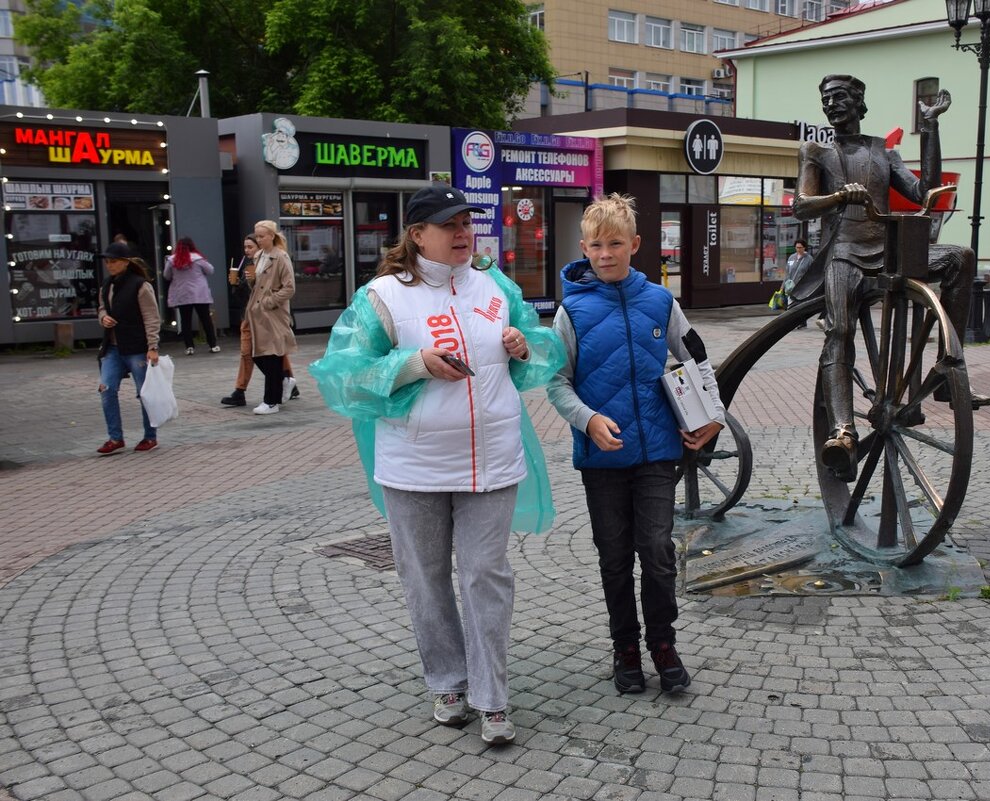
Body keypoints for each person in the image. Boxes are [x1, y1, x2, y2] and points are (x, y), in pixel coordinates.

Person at [309, 184, 564, 745]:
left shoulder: (495, 285)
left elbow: (543, 352)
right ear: (417, 234)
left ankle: (492, 696)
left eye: (467, 222)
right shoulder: (383, 297)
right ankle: (447, 681)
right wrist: (414, 363)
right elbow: (344, 373)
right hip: (413, 466)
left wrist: (527, 345)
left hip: (493, 459)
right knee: (424, 579)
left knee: (485, 575)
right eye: (449, 225)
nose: (463, 233)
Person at [546, 194, 726, 696]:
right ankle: (625, 647)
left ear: (636, 246)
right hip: (602, 456)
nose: (606, 254)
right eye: (597, 245)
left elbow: (699, 360)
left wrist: (715, 416)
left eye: (616, 244)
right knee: (614, 556)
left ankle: (663, 645)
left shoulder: (660, 303)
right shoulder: (571, 312)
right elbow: (556, 383)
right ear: (584, 248)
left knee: (657, 549)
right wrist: (587, 421)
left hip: (657, 452)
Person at [792, 74, 990, 482]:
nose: (833, 104)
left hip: (888, 250)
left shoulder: (883, 152)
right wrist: (839, 197)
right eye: (826, 98)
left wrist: (930, 128)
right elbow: (802, 205)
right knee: (840, 329)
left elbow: (926, 192)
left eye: (841, 97)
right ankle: (843, 431)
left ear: (859, 103)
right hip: (844, 252)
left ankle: (945, 376)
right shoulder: (816, 150)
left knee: (960, 258)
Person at [96, 241, 161, 454]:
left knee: (144, 393)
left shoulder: (140, 285)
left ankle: (150, 436)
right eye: (107, 261)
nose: (109, 265)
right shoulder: (107, 284)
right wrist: (103, 317)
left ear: (125, 262)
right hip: (112, 347)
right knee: (106, 388)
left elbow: (151, 317)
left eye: (113, 261)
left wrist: (152, 346)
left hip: (136, 346)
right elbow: (102, 307)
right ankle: (115, 438)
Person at [221, 234, 299, 407]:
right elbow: (245, 297)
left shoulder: (271, 262)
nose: (247, 250)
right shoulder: (250, 266)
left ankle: (279, 385)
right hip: (250, 317)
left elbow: (284, 289)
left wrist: (265, 298)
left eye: (251, 247)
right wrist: (236, 284)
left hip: (266, 316)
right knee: (251, 352)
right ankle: (282, 383)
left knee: (271, 353)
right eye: (245, 247)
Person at [245, 220, 297, 415]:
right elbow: (258, 285)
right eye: (256, 236)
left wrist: (270, 301)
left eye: (262, 236)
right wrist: (251, 281)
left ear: (271, 236)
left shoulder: (281, 257)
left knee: (271, 355)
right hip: (257, 313)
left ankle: (271, 401)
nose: (259, 239)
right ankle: (284, 380)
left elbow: (289, 287)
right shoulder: (259, 256)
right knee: (257, 354)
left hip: (273, 313)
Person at [163, 236, 220, 355]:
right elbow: (210, 270)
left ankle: (189, 347)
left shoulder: (172, 260)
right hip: (200, 293)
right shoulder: (198, 259)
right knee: (206, 319)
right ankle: (213, 344)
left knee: (185, 321)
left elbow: (166, 276)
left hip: (182, 293)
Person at [784, 240, 814, 327]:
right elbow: (787, 272)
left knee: (800, 305)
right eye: (797, 247)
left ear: (804, 247)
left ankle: (801, 322)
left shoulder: (809, 259)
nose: (798, 249)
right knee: (790, 305)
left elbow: (812, 273)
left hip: (802, 286)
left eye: (800, 247)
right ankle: (791, 322)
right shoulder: (791, 257)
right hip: (790, 286)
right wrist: (783, 285)